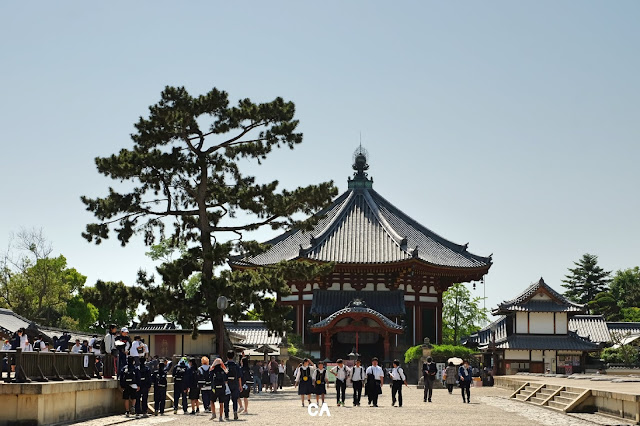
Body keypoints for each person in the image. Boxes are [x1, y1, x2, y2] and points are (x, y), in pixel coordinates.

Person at [224, 350, 243, 420]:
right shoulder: (236, 365)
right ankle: (235, 411)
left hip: (227, 384)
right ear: (233, 356)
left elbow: (223, 376)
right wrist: (240, 386)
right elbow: (239, 377)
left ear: (227, 356)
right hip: (235, 383)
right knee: (234, 399)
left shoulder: (225, 365)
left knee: (226, 400)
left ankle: (226, 414)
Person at [210, 358, 228, 422]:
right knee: (221, 402)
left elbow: (210, 378)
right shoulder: (223, 370)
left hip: (214, 388)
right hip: (222, 388)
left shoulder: (212, 370)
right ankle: (220, 416)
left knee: (212, 401)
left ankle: (213, 414)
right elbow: (226, 379)